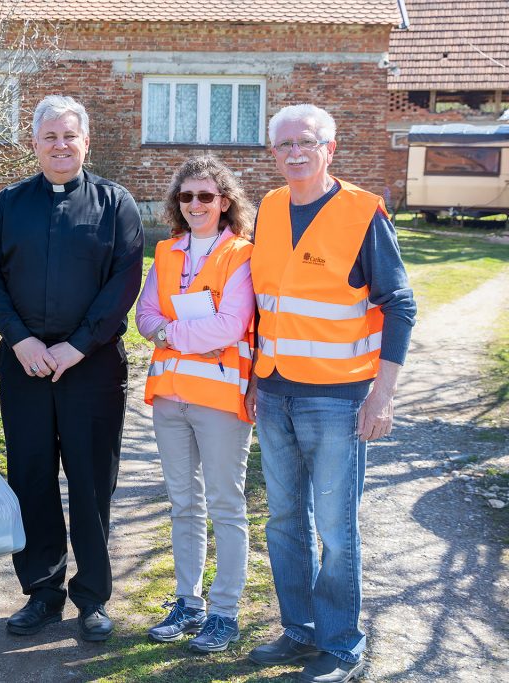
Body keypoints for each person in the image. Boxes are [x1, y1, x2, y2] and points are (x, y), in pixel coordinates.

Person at [246, 104, 416, 683]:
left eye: (307, 142)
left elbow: (400, 305)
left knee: (335, 530)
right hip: (273, 394)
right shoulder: (268, 208)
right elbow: (264, 306)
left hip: (337, 399)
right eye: (284, 144)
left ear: (331, 147)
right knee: (284, 522)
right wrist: (252, 379)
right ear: (273, 153)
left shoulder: (361, 212)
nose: (295, 152)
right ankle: (298, 631)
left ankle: (342, 644)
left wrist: (382, 395)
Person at [0, 95, 144, 642]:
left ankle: (91, 597)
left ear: (85, 141)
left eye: (69, 136)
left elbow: (123, 284)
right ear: (34, 143)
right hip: (24, 366)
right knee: (31, 478)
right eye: (49, 137)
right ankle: (43, 592)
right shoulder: (8, 204)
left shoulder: (116, 205)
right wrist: (20, 340)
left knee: (93, 481)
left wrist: (76, 346)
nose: (60, 145)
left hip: (90, 369)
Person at [135, 155, 256, 653]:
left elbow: (230, 324)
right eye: (186, 196)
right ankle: (189, 603)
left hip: (221, 399)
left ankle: (224, 612)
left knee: (226, 506)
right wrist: (176, 335)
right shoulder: (165, 253)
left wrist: (169, 333)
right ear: (176, 203)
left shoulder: (242, 255)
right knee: (184, 504)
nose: (196, 204)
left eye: (206, 196)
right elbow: (143, 316)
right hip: (170, 398)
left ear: (224, 202)